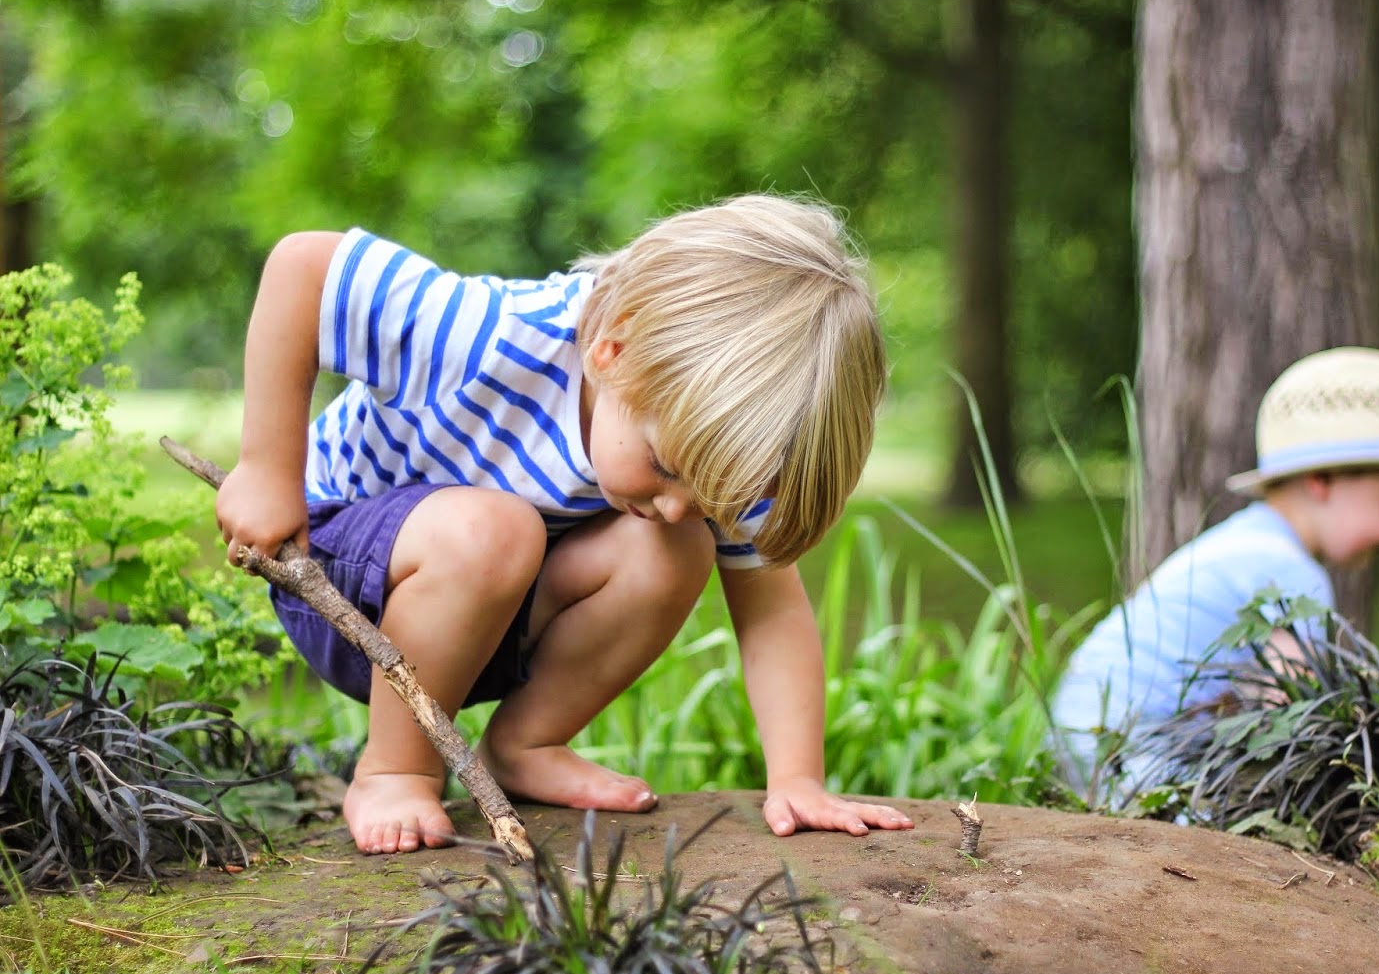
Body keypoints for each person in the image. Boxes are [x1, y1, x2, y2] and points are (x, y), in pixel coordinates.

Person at [215, 194, 915, 854]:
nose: (679, 505)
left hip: (491, 617)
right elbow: (304, 265)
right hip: (343, 584)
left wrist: (798, 780)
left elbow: (770, 612)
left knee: (672, 550)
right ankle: (396, 772)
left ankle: (526, 745)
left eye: (708, 499)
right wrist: (267, 468)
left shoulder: (719, 443)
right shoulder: (486, 335)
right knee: (496, 530)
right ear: (613, 352)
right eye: (666, 470)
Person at [1052, 347, 1379, 803]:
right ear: (1322, 480)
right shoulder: (1289, 572)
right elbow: (1290, 719)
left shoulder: (1248, 540)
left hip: (1085, 737)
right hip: (1133, 754)